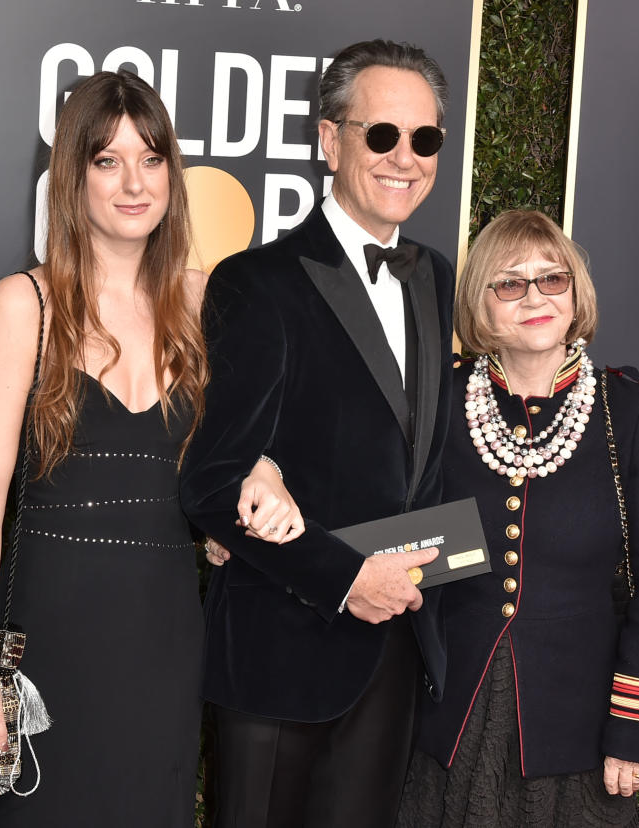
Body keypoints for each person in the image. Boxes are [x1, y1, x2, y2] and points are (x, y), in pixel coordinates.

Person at [0, 69, 298, 826]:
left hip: (165, 641)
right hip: (49, 636)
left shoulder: (207, 304)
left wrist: (257, 487)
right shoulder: (22, 307)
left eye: (152, 157)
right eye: (107, 159)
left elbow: (236, 463)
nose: (134, 181)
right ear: (72, 178)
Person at [179, 39, 457, 828]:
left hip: (397, 654)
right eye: (382, 135)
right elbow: (211, 479)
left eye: (425, 139)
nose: (406, 158)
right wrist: (345, 577)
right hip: (280, 654)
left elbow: (420, 466)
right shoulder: (257, 282)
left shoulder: (436, 277)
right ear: (330, 140)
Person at [394, 210, 639, 827]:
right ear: (480, 304)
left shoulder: (624, 408)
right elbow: (392, 521)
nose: (534, 298)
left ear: (575, 294)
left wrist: (634, 729)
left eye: (553, 279)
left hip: (576, 732)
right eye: (510, 284)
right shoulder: (441, 398)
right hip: (449, 722)